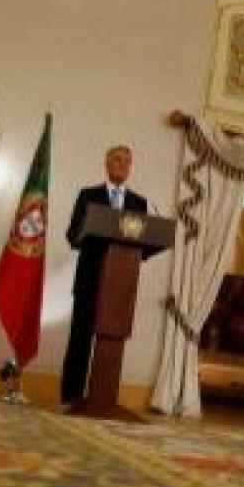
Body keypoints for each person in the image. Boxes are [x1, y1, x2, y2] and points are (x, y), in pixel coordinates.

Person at [60, 144, 148, 408]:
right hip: (89, 279)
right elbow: (72, 235)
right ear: (107, 164)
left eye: (126, 162)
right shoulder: (88, 196)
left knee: (112, 339)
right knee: (80, 338)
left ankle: (104, 398)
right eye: (117, 160)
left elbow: (143, 244)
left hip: (120, 284)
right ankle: (71, 396)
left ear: (130, 168)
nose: (122, 165)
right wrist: (90, 228)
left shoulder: (139, 203)